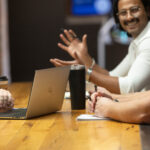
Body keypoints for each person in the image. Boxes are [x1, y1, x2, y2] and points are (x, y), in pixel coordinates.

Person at [50, 0, 150, 94]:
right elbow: (111, 76)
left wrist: (85, 73)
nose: (129, 17)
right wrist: (85, 59)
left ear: (148, 10)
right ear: (117, 17)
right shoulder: (139, 40)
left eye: (134, 10)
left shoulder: (147, 41)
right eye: (123, 13)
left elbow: (129, 87)